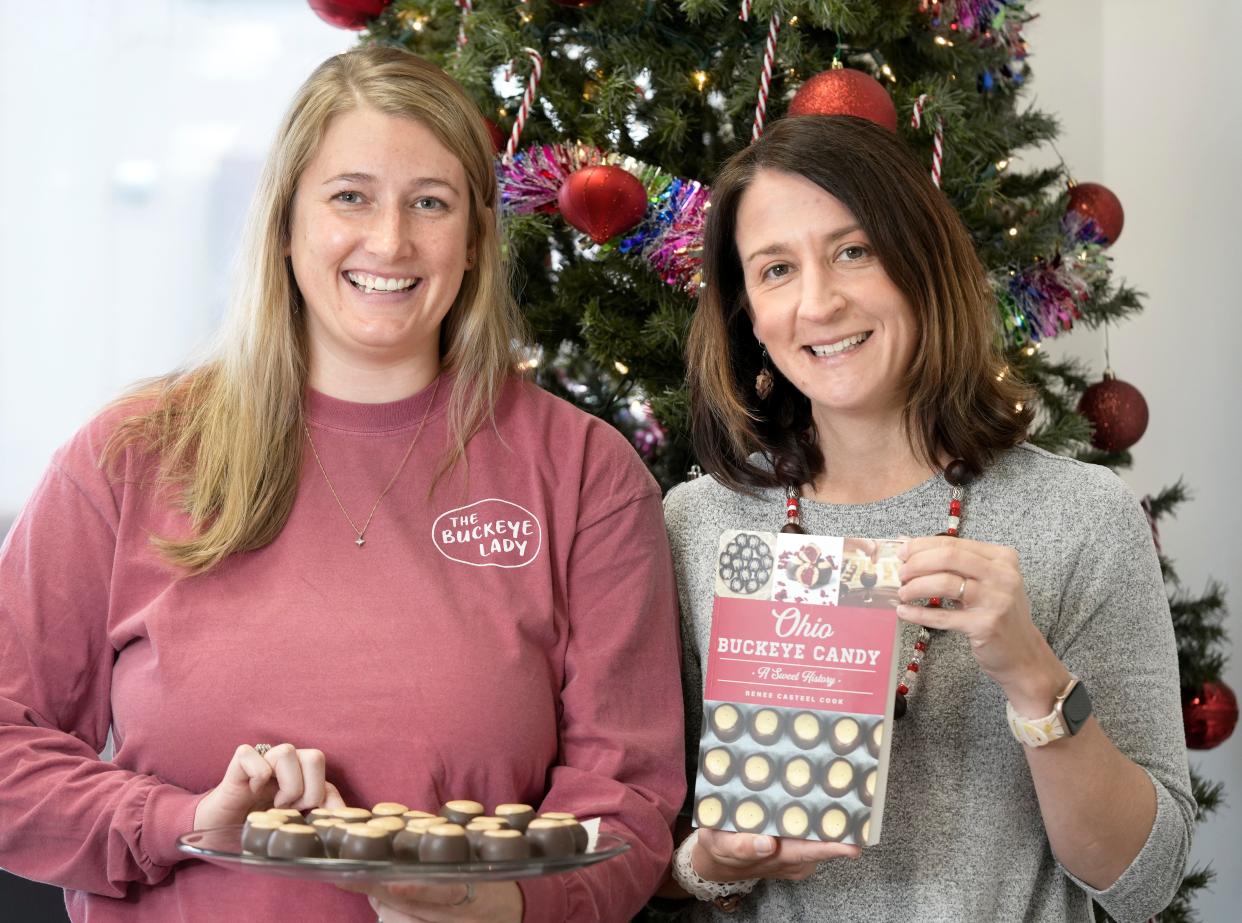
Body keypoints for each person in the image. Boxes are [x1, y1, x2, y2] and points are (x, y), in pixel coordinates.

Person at [0, 46, 684, 923]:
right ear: (286, 225)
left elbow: (625, 799)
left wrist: (499, 909)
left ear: (475, 240)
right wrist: (180, 820)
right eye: (350, 196)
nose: (389, 241)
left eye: (429, 203)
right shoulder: (131, 454)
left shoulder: (585, 476)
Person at [658, 115, 1192, 922]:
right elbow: (648, 851)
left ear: (921, 263)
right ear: (748, 316)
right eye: (774, 269)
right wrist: (710, 857)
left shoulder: (1082, 516)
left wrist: (1033, 676)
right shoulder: (698, 527)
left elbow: (1142, 882)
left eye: (854, 251)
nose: (819, 302)